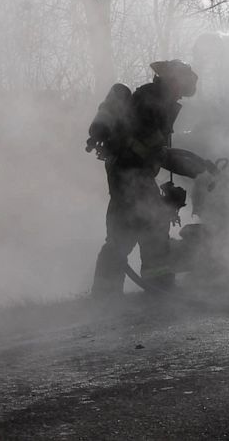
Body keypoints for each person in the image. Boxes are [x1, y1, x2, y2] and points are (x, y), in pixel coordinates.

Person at [89, 60, 212, 297]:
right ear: (172, 81)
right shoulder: (151, 102)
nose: (181, 94)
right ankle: (117, 295)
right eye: (180, 86)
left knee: (142, 230)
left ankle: (141, 291)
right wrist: (193, 166)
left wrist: (196, 164)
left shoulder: (157, 100)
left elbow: (156, 151)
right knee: (135, 232)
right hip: (129, 175)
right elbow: (154, 151)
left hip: (133, 174)